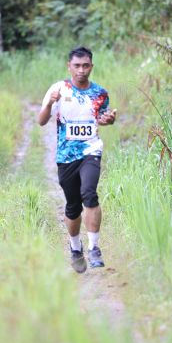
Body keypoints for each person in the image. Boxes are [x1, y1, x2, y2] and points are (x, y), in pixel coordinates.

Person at [38, 46, 116, 273]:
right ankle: (75, 248)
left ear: (92, 66)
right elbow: (41, 121)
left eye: (86, 66)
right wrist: (50, 103)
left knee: (89, 194)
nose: (81, 70)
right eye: (77, 66)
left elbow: (101, 118)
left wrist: (108, 120)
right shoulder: (58, 89)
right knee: (73, 206)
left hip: (91, 150)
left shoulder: (100, 93)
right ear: (69, 67)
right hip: (66, 156)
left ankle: (94, 248)